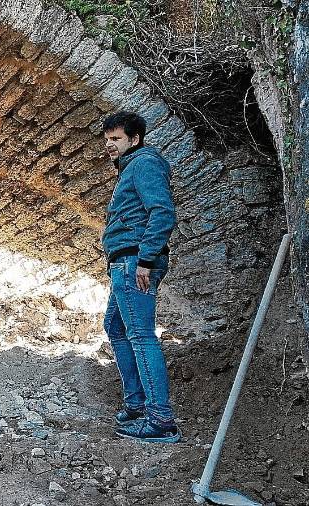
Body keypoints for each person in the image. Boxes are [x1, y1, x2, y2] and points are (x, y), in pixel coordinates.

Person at [101, 111, 180, 443]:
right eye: (107, 139)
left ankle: (161, 420)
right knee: (115, 327)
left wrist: (145, 260)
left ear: (134, 139)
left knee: (141, 335)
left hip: (135, 262)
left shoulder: (144, 164)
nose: (109, 145)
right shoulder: (131, 168)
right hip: (126, 260)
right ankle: (136, 406)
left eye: (116, 139)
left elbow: (162, 212)